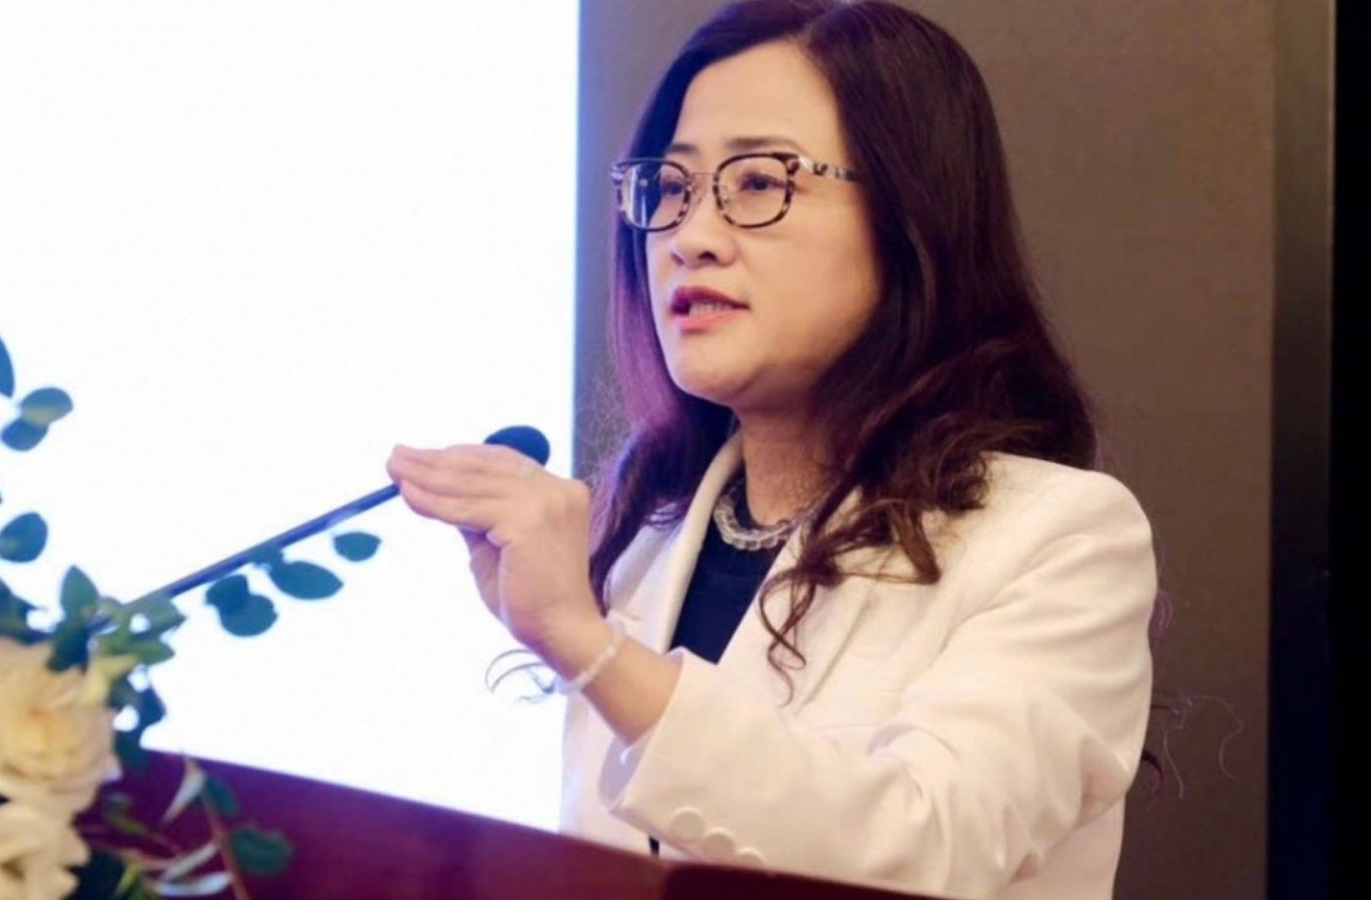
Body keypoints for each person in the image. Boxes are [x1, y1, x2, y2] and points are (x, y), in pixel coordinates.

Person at [385, 2, 1156, 897]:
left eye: (757, 182)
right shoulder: (644, 547)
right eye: (670, 188)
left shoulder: (1061, 538)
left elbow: (925, 851)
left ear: (912, 217)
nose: (689, 237)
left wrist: (587, 646)